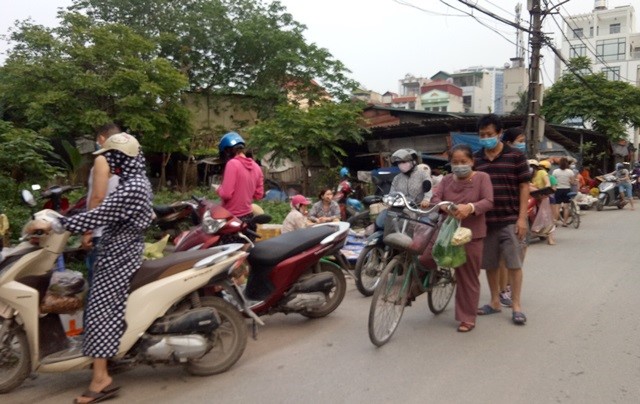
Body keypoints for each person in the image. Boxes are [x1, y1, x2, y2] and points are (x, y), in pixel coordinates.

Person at [29, 133, 152, 403]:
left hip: (120, 255)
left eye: (112, 157)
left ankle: (101, 380)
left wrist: (55, 225)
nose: (109, 162)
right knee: (97, 305)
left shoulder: (133, 188)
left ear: (120, 158)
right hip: (114, 250)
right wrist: (67, 217)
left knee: (99, 311)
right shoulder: (132, 181)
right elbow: (101, 209)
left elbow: (99, 213)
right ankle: (107, 363)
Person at [430, 144, 493, 332]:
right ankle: (415, 289)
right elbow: (435, 198)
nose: (459, 165)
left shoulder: (482, 178)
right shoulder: (447, 179)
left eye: (463, 162)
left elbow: (488, 201)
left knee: (467, 276)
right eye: (455, 162)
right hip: (445, 231)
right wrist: (443, 206)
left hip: (471, 235)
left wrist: (470, 208)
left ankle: (467, 317)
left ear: (472, 162)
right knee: (425, 256)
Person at [474, 114, 530, 326]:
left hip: (510, 218)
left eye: (490, 134)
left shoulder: (515, 156)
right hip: (485, 221)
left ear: (499, 134)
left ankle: (516, 306)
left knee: (514, 264)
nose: (486, 138)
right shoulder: (476, 159)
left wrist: (522, 218)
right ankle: (495, 301)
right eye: (482, 135)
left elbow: (524, 186)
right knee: (490, 264)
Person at [82, 123, 121, 287]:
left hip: (102, 233)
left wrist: (88, 229)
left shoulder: (102, 159)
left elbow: (97, 196)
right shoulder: (125, 160)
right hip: (120, 232)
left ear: (102, 138)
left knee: (97, 287)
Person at [216, 132, 265, 241]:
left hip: (232, 219)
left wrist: (218, 189)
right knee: (246, 253)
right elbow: (258, 195)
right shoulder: (257, 167)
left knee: (230, 255)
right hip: (249, 219)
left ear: (227, 151)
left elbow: (226, 194)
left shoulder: (232, 164)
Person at [528, 160, 556, 245]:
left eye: (532, 167)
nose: (531, 168)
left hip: (543, 197)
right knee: (531, 214)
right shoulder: (529, 176)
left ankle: (550, 238)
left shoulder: (542, 173)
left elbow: (547, 184)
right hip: (533, 198)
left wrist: (543, 191)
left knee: (545, 217)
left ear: (536, 168)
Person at [552, 157, 577, 226]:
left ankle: (555, 222)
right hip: (567, 190)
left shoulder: (555, 171)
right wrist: (572, 182)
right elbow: (572, 182)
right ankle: (565, 222)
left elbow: (553, 182)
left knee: (557, 207)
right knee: (566, 207)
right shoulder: (570, 172)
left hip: (558, 190)